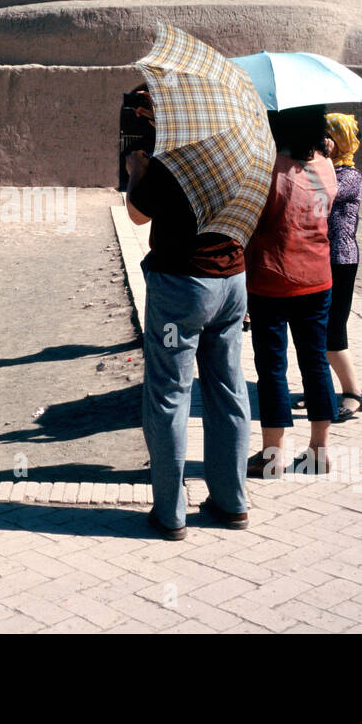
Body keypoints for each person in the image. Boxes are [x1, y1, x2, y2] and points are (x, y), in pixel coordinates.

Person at [126, 136, 253, 541]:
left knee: (169, 393)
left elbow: (136, 215)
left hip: (181, 285)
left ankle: (170, 513)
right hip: (232, 281)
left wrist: (136, 173)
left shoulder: (175, 156)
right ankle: (232, 503)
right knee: (228, 389)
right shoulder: (246, 151)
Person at [244, 105, 339, 477]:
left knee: (272, 368)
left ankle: (273, 455)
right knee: (316, 361)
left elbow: (255, 220)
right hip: (317, 275)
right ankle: (319, 451)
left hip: (272, 277)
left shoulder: (270, 168)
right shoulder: (326, 166)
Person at [323, 112, 362, 418]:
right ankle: (320, 389)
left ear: (339, 141)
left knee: (333, 328)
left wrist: (317, 161)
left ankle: (355, 393)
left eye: (325, 136)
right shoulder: (326, 169)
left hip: (341, 260)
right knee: (315, 329)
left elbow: (321, 196)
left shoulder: (349, 176)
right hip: (318, 260)